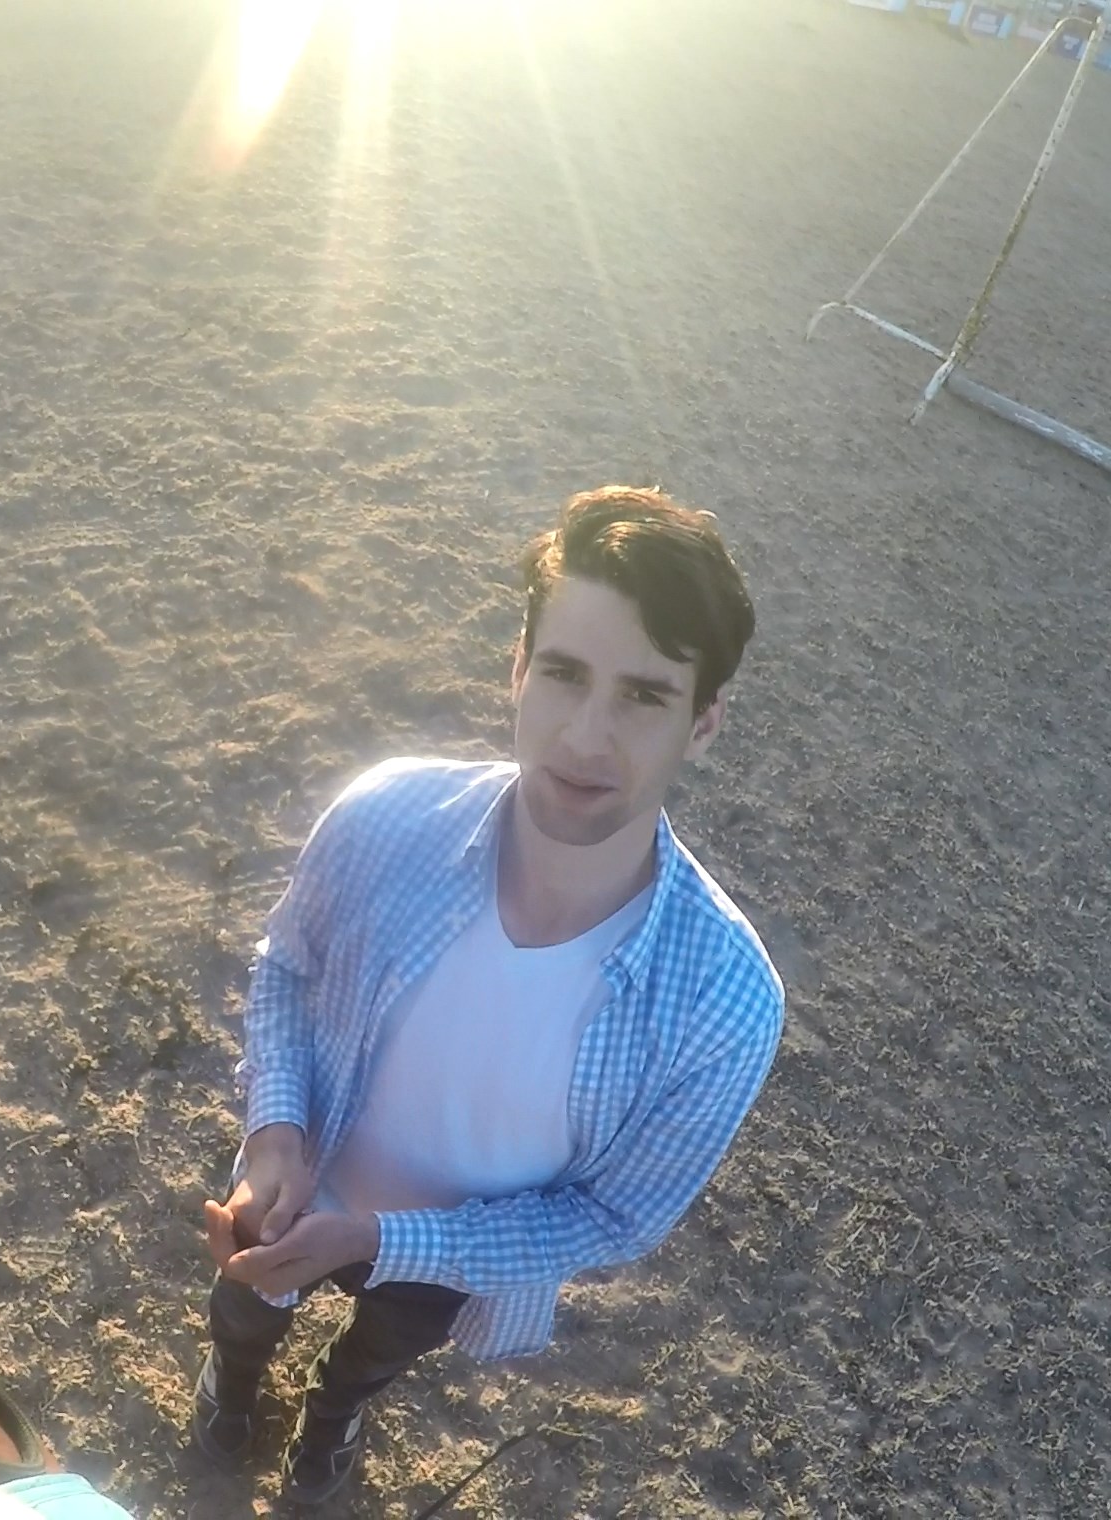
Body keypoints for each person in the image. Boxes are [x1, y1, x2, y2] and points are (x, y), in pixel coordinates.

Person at [191, 487, 786, 1507]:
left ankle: (333, 1420)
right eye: (563, 673)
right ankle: (231, 1385)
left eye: (644, 695)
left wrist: (385, 1241)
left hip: (453, 1262)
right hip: (295, 1190)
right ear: (517, 669)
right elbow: (287, 968)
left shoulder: (727, 1003)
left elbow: (614, 1214)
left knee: (374, 1355)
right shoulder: (384, 819)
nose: (586, 736)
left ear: (704, 723)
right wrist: (277, 1129)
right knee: (243, 1313)